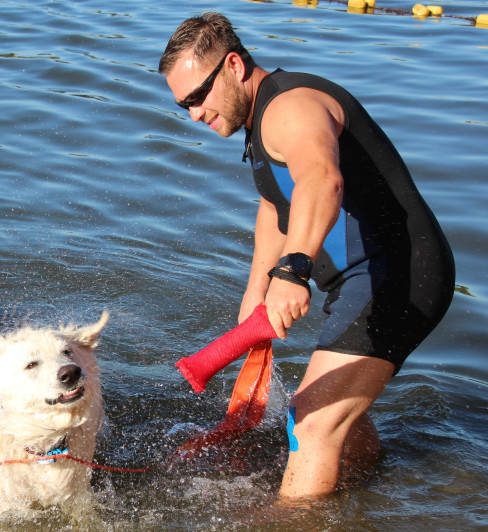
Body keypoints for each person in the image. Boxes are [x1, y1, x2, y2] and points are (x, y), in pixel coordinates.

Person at [158, 13, 454, 499]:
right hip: (358, 279)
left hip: (397, 274)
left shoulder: (290, 108)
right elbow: (277, 202)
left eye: (198, 96)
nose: (194, 113)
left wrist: (292, 270)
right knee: (332, 415)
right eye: (183, 104)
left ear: (233, 65)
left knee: (310, 421)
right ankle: (362, 496)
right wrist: (257, 289)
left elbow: (321, 180)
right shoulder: (260, 121)